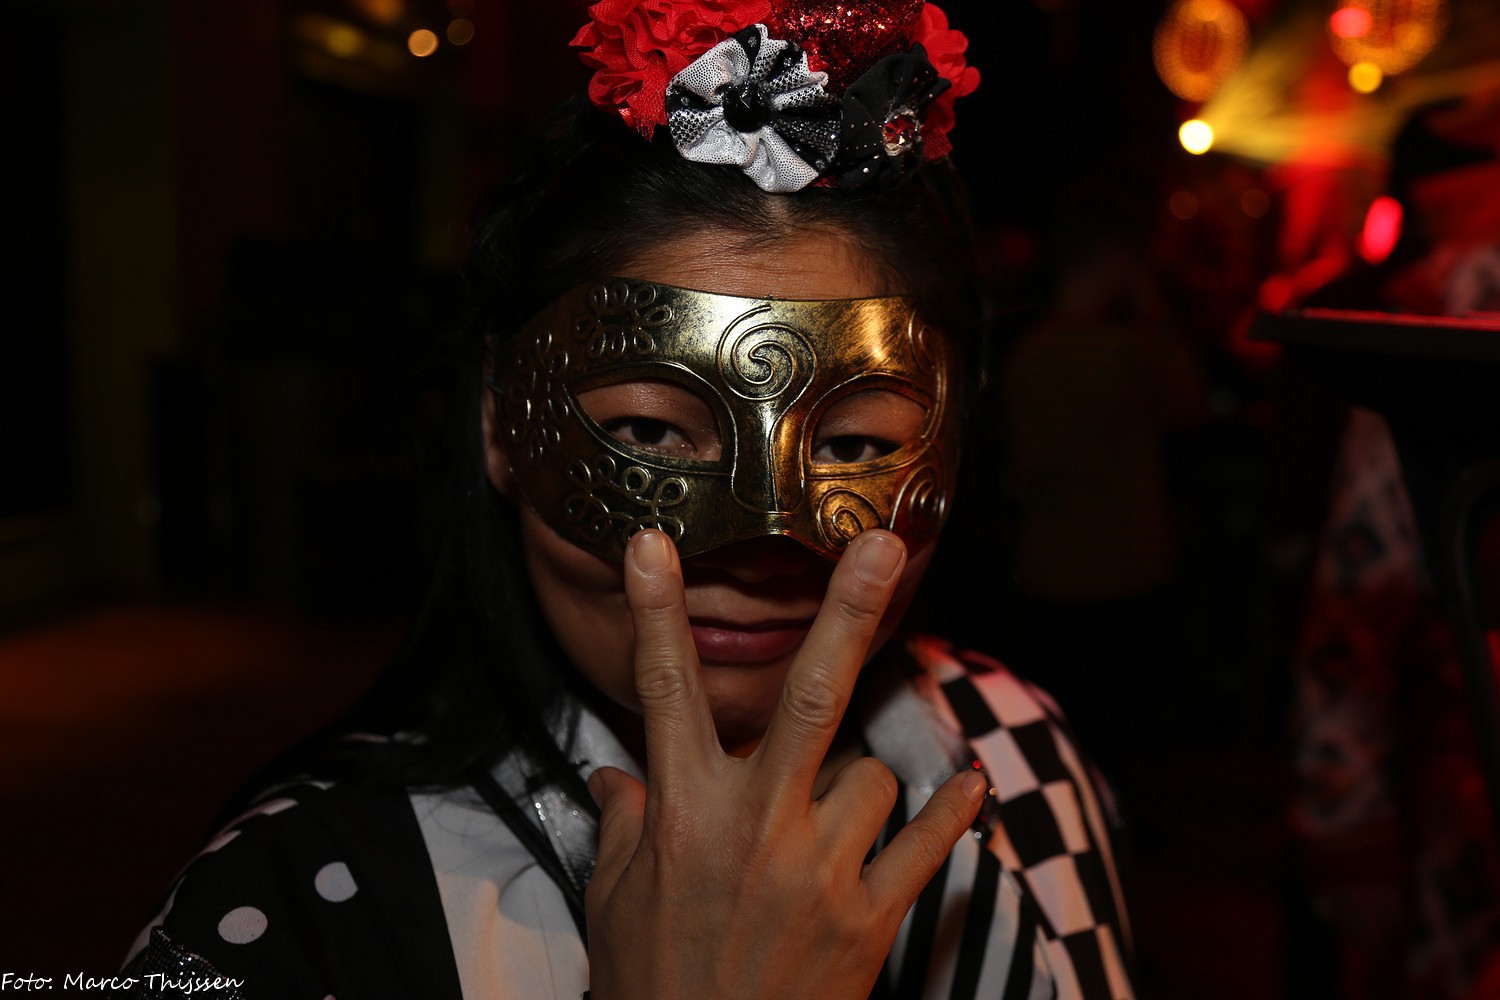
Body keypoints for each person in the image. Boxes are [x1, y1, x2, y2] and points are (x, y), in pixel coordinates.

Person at [121, 3, 1134, 998]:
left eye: (856, 443)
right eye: (649, 432)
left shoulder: (1015, 747)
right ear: (500, 424)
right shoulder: (291, 919)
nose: (762, 533)